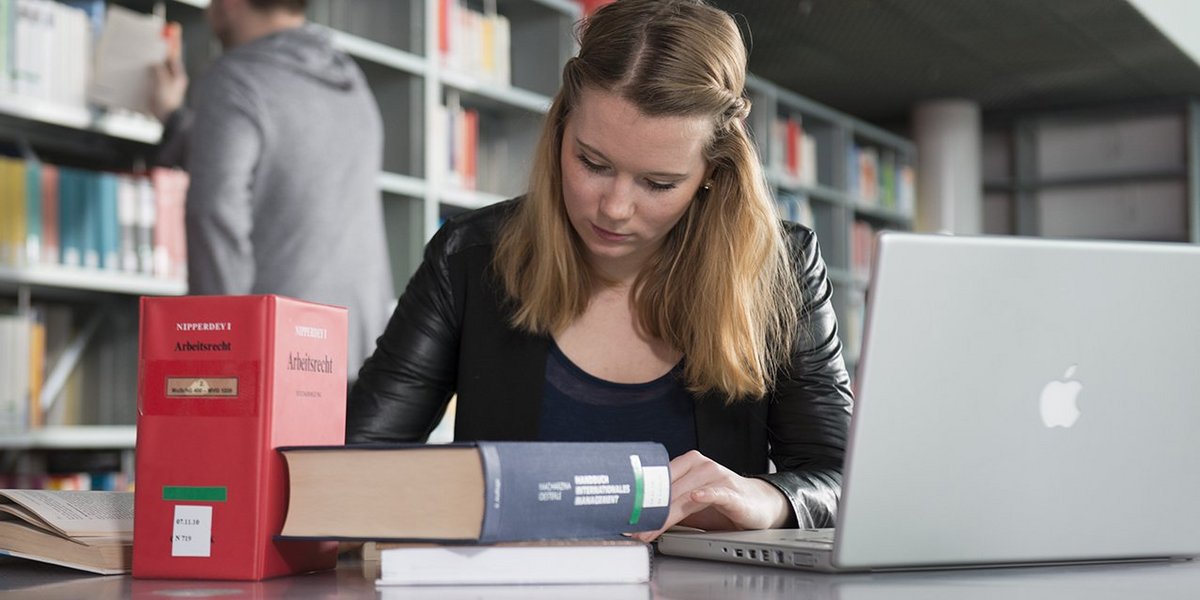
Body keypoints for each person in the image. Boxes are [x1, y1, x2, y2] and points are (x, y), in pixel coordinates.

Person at [347, 0, 852, 538]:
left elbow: (845, 483)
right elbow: (354, 466)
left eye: (658, 183)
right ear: (561, 126)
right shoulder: (469, 256)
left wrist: (768, 498)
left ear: (712, 171)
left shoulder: (780, 270)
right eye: (592, 162)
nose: (613, 207)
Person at [151, 0, 393, 379]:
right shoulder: (350, 81)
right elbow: (280, 169)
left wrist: (217, 357)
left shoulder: (235, 79)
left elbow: (214, 212)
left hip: (279, 359)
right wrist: (176, 119)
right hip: (361, 352)